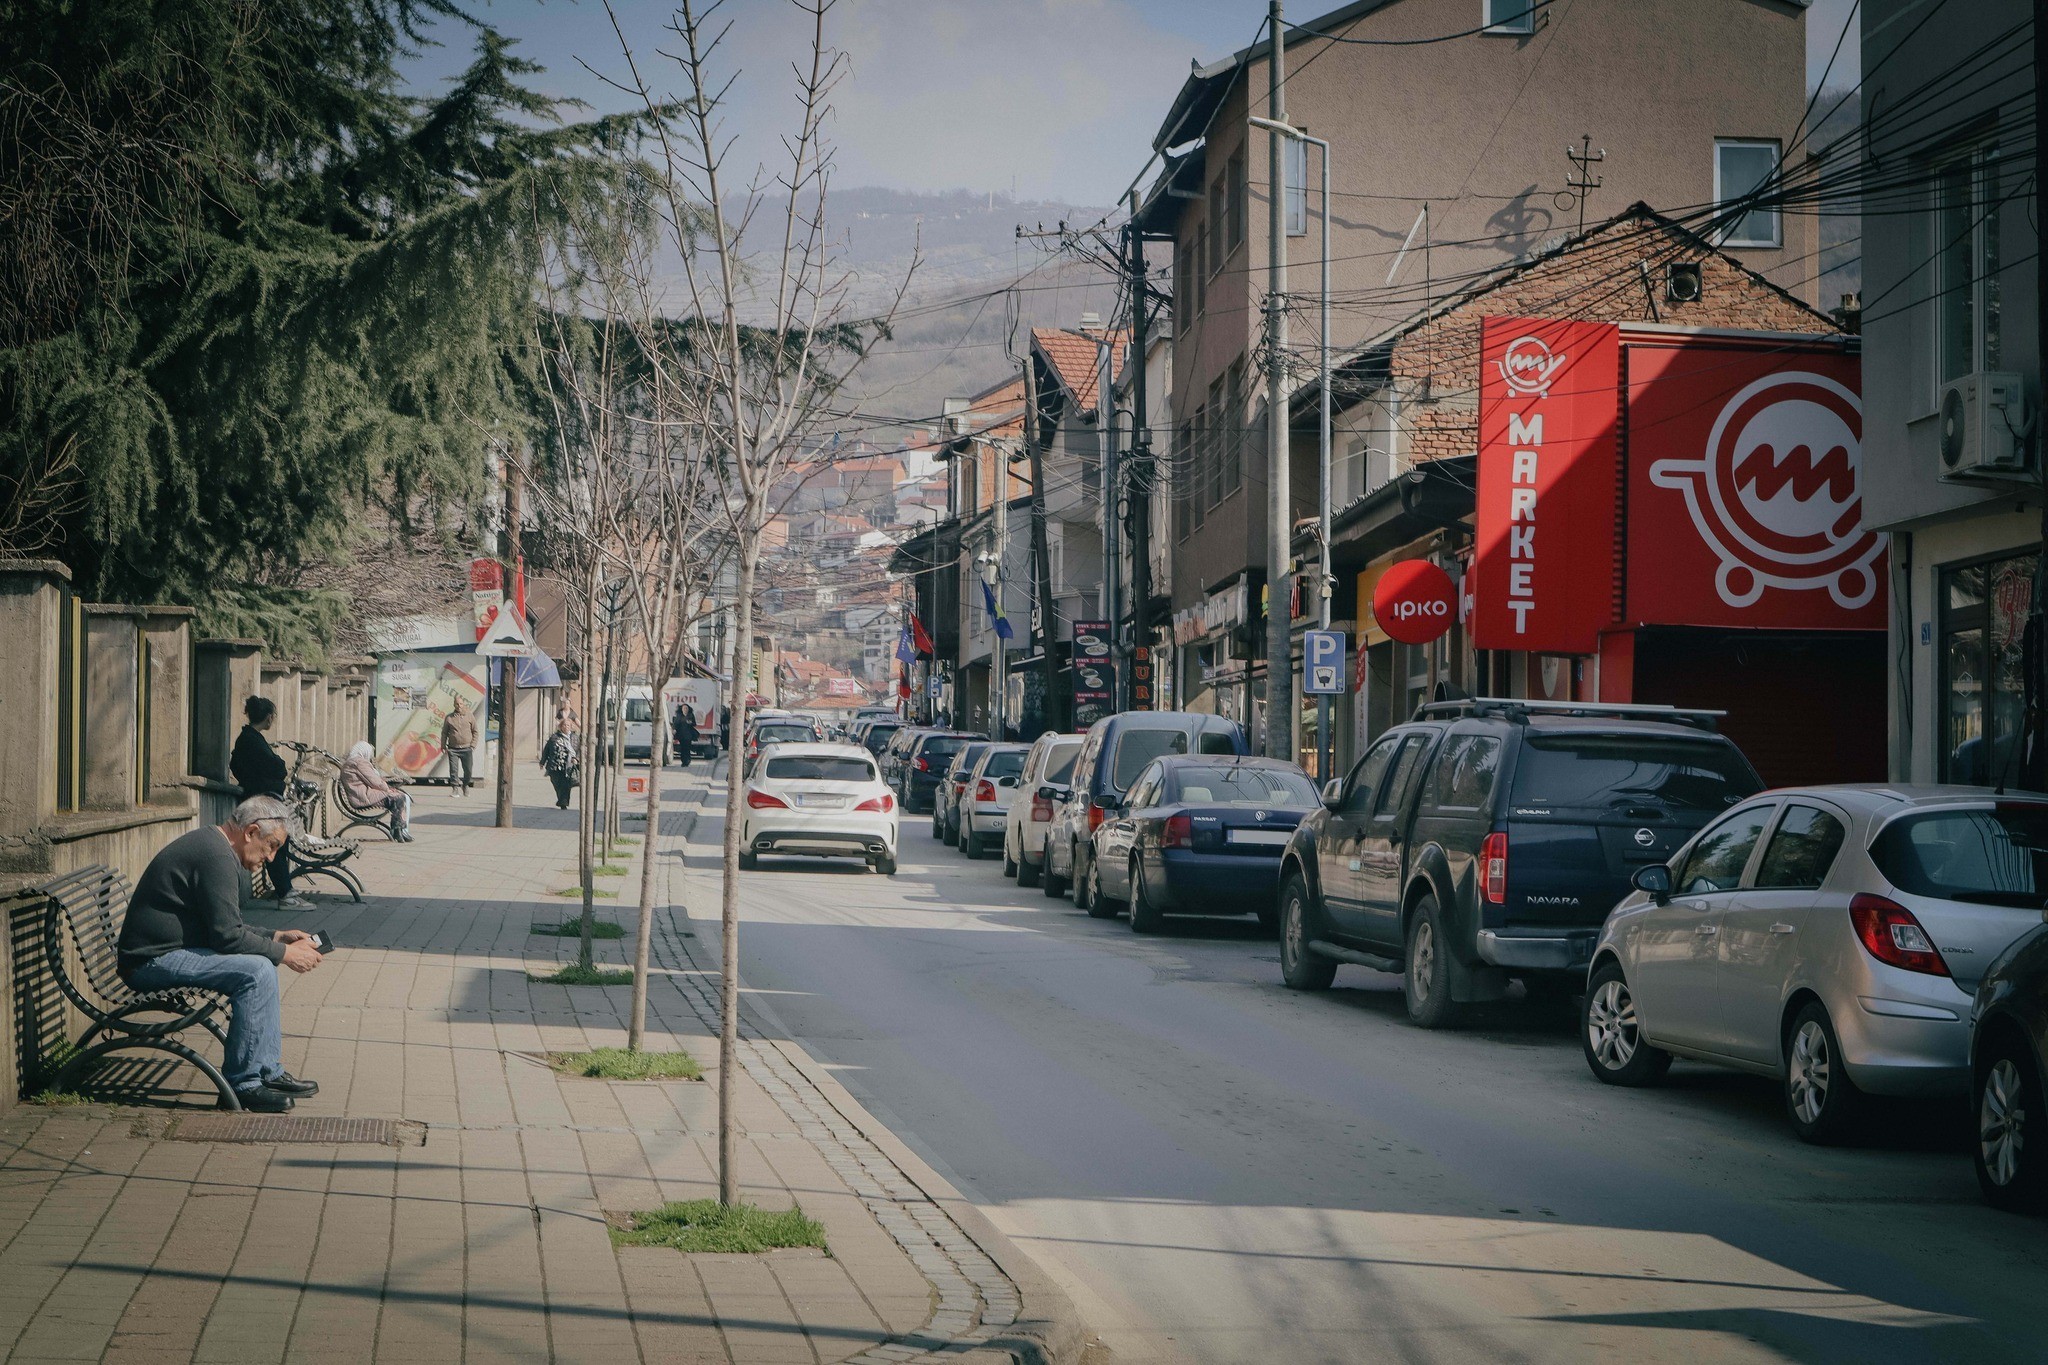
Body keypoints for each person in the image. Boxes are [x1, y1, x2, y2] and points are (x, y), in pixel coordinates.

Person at [117, 795, 325, 1112]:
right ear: (251, 831)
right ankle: (244, 1085)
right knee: (256, 972)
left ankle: (266, 1070)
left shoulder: (214, 846)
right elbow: (227, 938)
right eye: (271, 846)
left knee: (260, 966)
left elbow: (225, 927)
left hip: (167, 951)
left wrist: (276, 936)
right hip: (149, 962)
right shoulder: (216, 857)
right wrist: (285, 953)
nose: (270, 858)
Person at [229, 696, 309, 910]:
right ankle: (285, 894)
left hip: (263, 799)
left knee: (275, 844)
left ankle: (286, 890)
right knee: (273, 844)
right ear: (268, 717)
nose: (273, 719)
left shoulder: (250, 738)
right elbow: (277, 767)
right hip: (262, 801)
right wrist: (278, 767)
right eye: (272, 716)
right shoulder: (251, 740)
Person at [340, 741, 412, 841]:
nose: (369, 756)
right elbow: (375, 781)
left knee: (399, 796)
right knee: (399, 797)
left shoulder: (350, 762)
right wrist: (388, 789)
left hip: (360, 795)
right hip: (363, 797)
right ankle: (397, 830)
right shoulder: (359, 762)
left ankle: (400, 830)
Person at [540, 714, 580, 809]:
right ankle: (561, 799)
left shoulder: (575, 737)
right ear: (561, 726)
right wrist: (542, 762)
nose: (566, 727)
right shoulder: (554, 737)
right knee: (557, 783)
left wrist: (576, 758)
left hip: (569, 765)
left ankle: (563, 802)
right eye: (564, 725)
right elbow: (547, 750)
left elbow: (579, 750)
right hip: (555, 765)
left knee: (566, 784)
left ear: (571, 727)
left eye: (568, 725)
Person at [441, 697, 478, 794]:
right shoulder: (449, 718)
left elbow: (475, 731)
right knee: (454, 770)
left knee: (468, 770)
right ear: (454, 705)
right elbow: (444, 733)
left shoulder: (470, 716)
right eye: (457, 704)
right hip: (453, 749)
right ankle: (455, 788)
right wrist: (443, 746)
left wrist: (472, 745)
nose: (459, 706)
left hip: (467, 748)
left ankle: (465, 784)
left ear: (464, 704)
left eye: (461, 704)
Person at [674, 703, 699, 769]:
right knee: (682, 748)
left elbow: (694, 724)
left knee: (687, 748)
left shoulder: (691, 715)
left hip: (688, 734)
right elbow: (676, 724)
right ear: (681, 709)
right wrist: (674, 730)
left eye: (686, 708)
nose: (685, 709)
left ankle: (687, 760)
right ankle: (683, 761)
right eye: (684, 708)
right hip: (681, 734)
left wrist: (690, 723)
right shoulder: (679, 715)